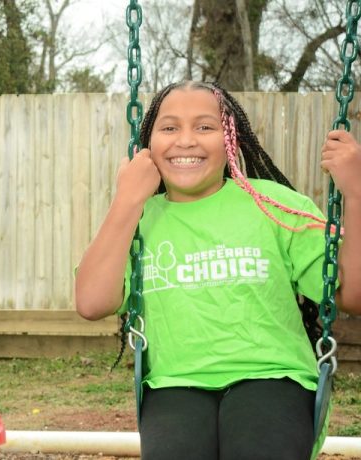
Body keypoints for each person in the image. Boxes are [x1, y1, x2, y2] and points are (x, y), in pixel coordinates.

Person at [75, 80, 361, 460]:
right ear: (149, 142)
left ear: (230, 138)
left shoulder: (275, 205)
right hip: (174, 384)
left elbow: (353, 296)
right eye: (170, 127)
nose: (186, 140)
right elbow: (92, 302)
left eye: (205, 127)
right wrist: (127, 200)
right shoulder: (138, 219)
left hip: (273, 377)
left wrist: (356, 192)